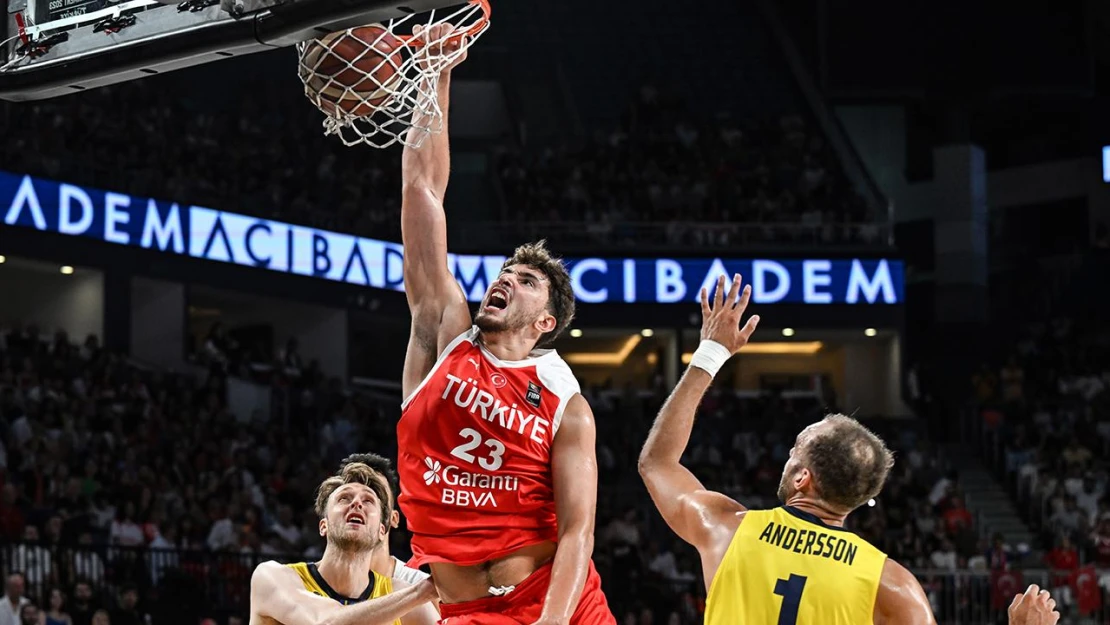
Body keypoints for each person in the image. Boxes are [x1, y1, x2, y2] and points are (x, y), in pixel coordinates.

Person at [637, 274, 1062, 625]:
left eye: (794, 451)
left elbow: (657, 462)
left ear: (804, 478)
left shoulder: (726, 527)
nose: (787, 457)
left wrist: (710, 353)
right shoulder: (891, 584)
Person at [395, 23, 614, 625]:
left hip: (557, 602)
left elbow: (578, 532)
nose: (506, 280)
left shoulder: (567, 402)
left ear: (546, 321)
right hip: (460, 608)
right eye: (506, 271)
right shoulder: (446, 330)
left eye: (526, 280)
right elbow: (423, 191)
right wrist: (435, 72)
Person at [249, 461, 437, 625]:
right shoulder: (274, 577)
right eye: (344, 498)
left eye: (368, 500)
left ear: (382, 530)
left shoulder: (399, 594)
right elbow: (325, 622)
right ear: (324, 526)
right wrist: (423, 592)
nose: (357, 503)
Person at [335, 453, 429, 587]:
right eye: (347, 496)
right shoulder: (304, 584)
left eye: (374, 495)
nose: (358, 503)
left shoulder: (421, 587)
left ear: (394, 518)